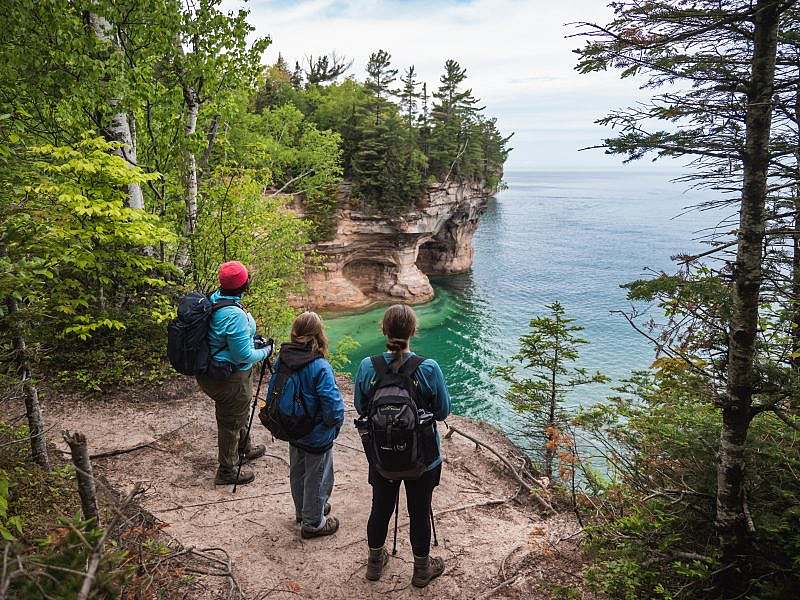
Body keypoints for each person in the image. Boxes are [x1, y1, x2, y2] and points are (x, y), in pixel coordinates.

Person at [354, 304, 451, 588]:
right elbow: (443, 411)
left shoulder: (367, 366)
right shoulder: (428, 368)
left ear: (384, 330)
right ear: (413, 331)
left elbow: (361, 407)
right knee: (420, 511)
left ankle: (375, 563)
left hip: (382, 457)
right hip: (423, 458)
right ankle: (421, 570)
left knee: (380, 508)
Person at [266, 311, 344, 539]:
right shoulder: (319, 366)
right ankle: (313, 523)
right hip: (316, 431)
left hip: (291, 425)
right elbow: (333, 407)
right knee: (318, 477)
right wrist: (334, 425)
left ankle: (303, 511)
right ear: (318, 335)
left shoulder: (283, 358)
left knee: (298, 470)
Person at [196, 261, 270, 486]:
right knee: (231, 419)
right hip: (228, 377)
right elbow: (243, 356)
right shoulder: (233, 315)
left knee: (239, 411)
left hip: (215, 371)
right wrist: (266, 351)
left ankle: (243, 449)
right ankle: (227, 469)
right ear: (244, 284)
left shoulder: (215, 299)